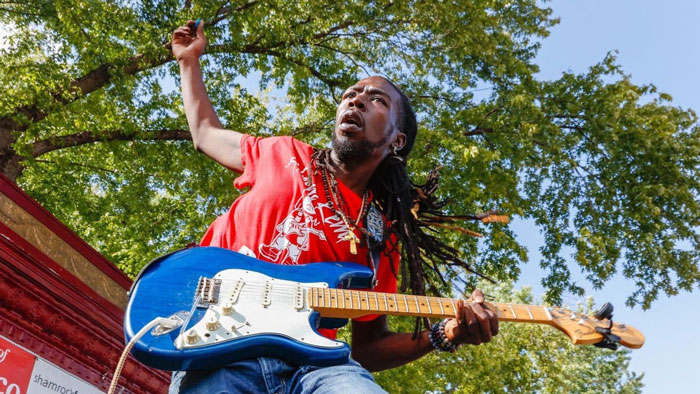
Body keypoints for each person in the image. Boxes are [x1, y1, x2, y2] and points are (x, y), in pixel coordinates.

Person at [170, 20, 499, 394]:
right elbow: (205, 133)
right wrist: (189, 61)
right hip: (219, 346)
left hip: (315, 366)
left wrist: (445, 332)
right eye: (351, 94)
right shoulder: (281, 152)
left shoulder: (381, 238)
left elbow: (369, 347)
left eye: (377, 99)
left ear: (397, 139)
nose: (356, 99)